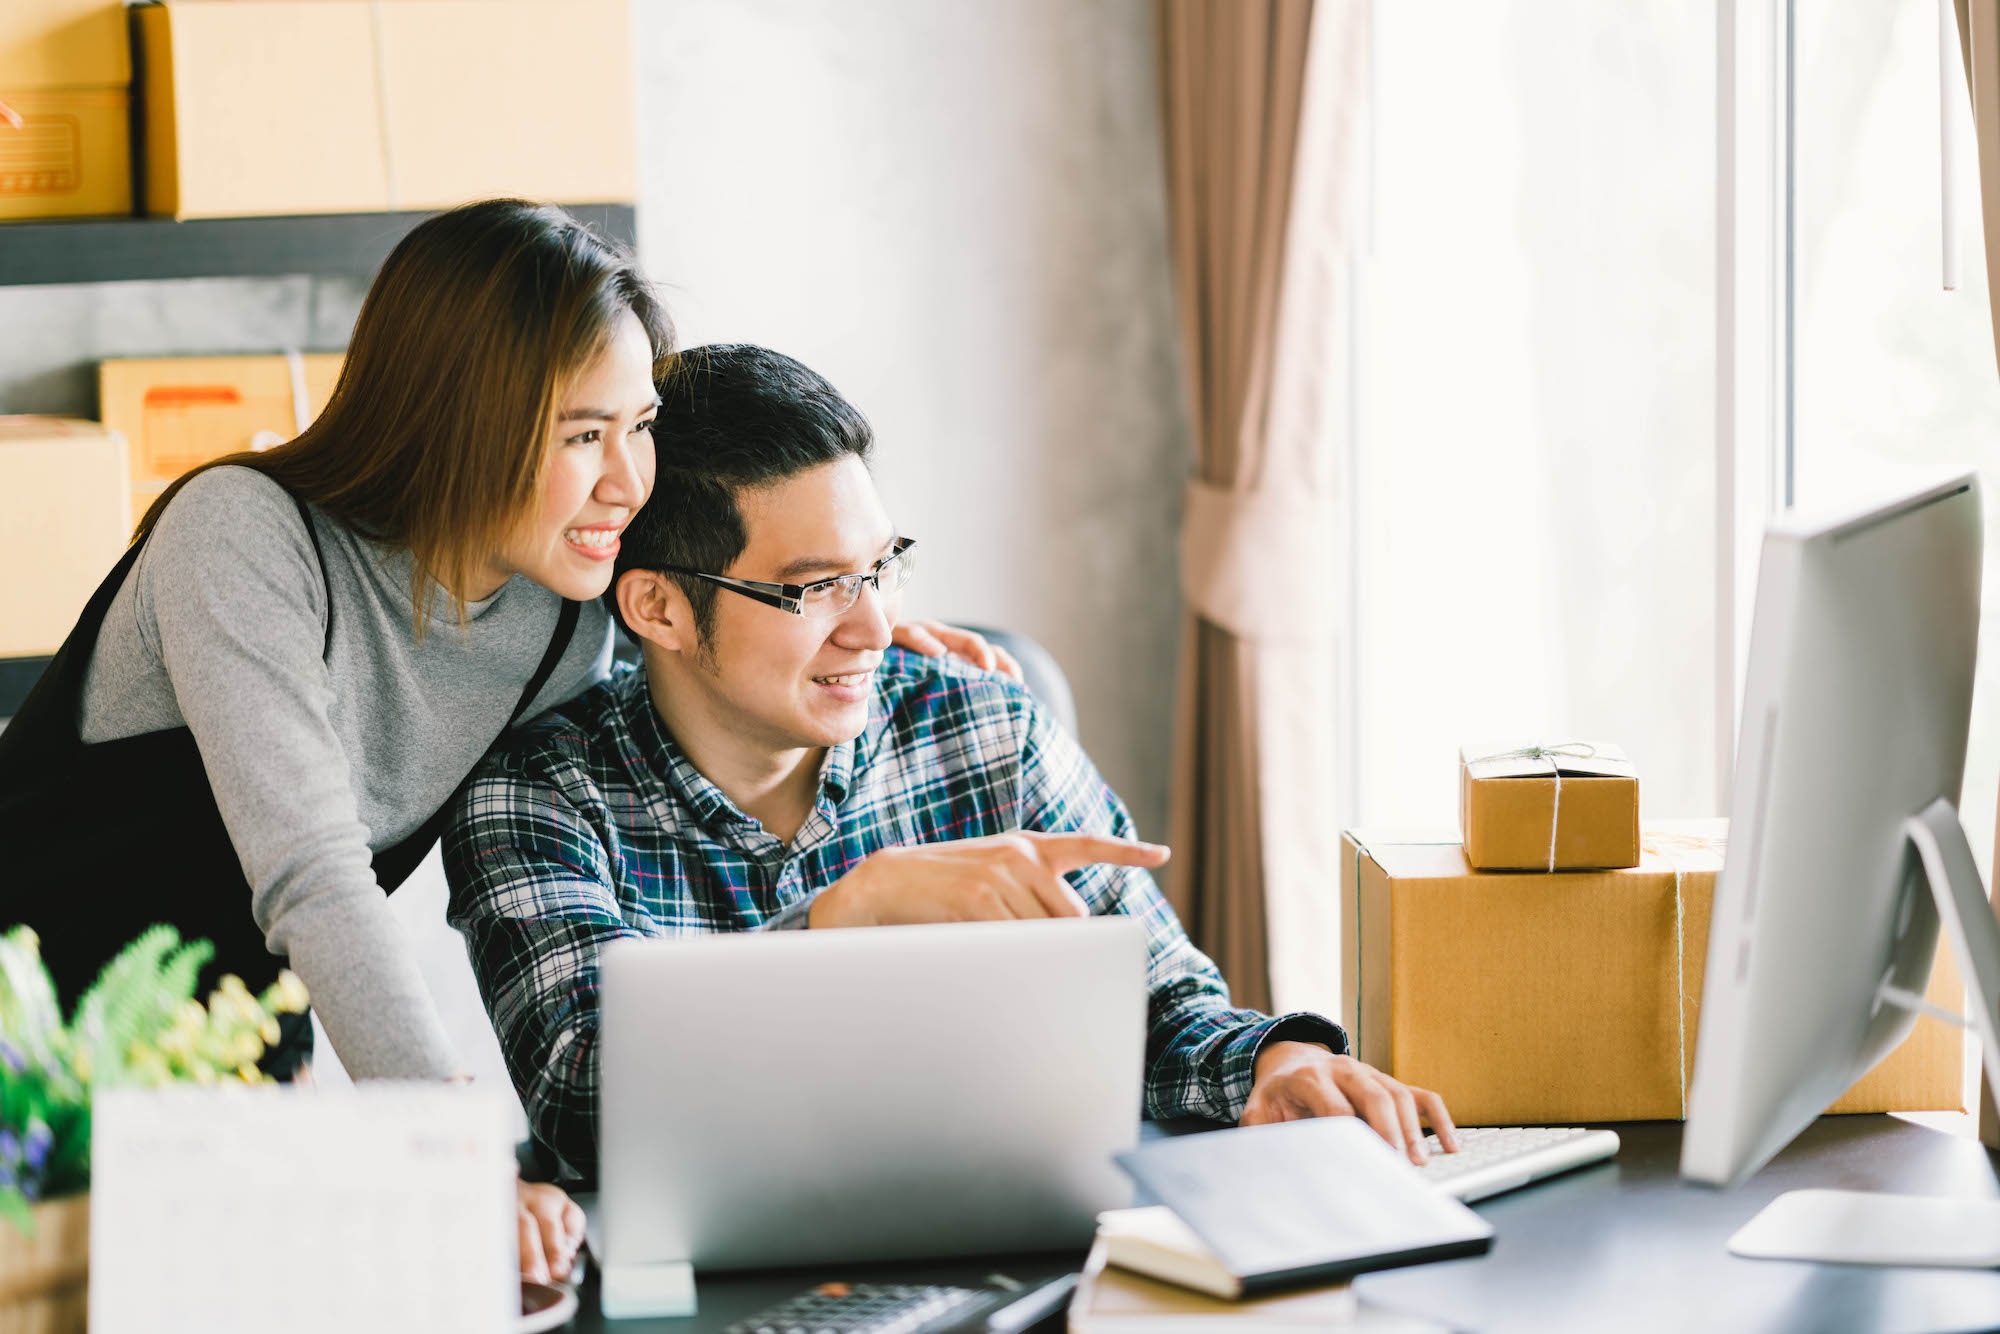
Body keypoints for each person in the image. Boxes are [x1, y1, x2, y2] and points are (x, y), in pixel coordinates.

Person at [0, 208, 1010, 1282]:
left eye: (640, 424)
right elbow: (314, 878)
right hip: (28, 1062)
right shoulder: (242, 533)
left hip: (215, 1078)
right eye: (583, 434)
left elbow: (715, 622)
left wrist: (853, 609)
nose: (629, 479)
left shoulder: (567, 612)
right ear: (456, 421)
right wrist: (450, 1156)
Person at [442, 344, 1460, 1184]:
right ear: (658, 606)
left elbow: (1159, 1006)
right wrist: (841, 918)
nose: (876, 627)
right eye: (815, 589)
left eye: (879, 566)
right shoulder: (534, 792)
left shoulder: (976, 726)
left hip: (1010, 1270)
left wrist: (1273, 1061)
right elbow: (583, 1103)